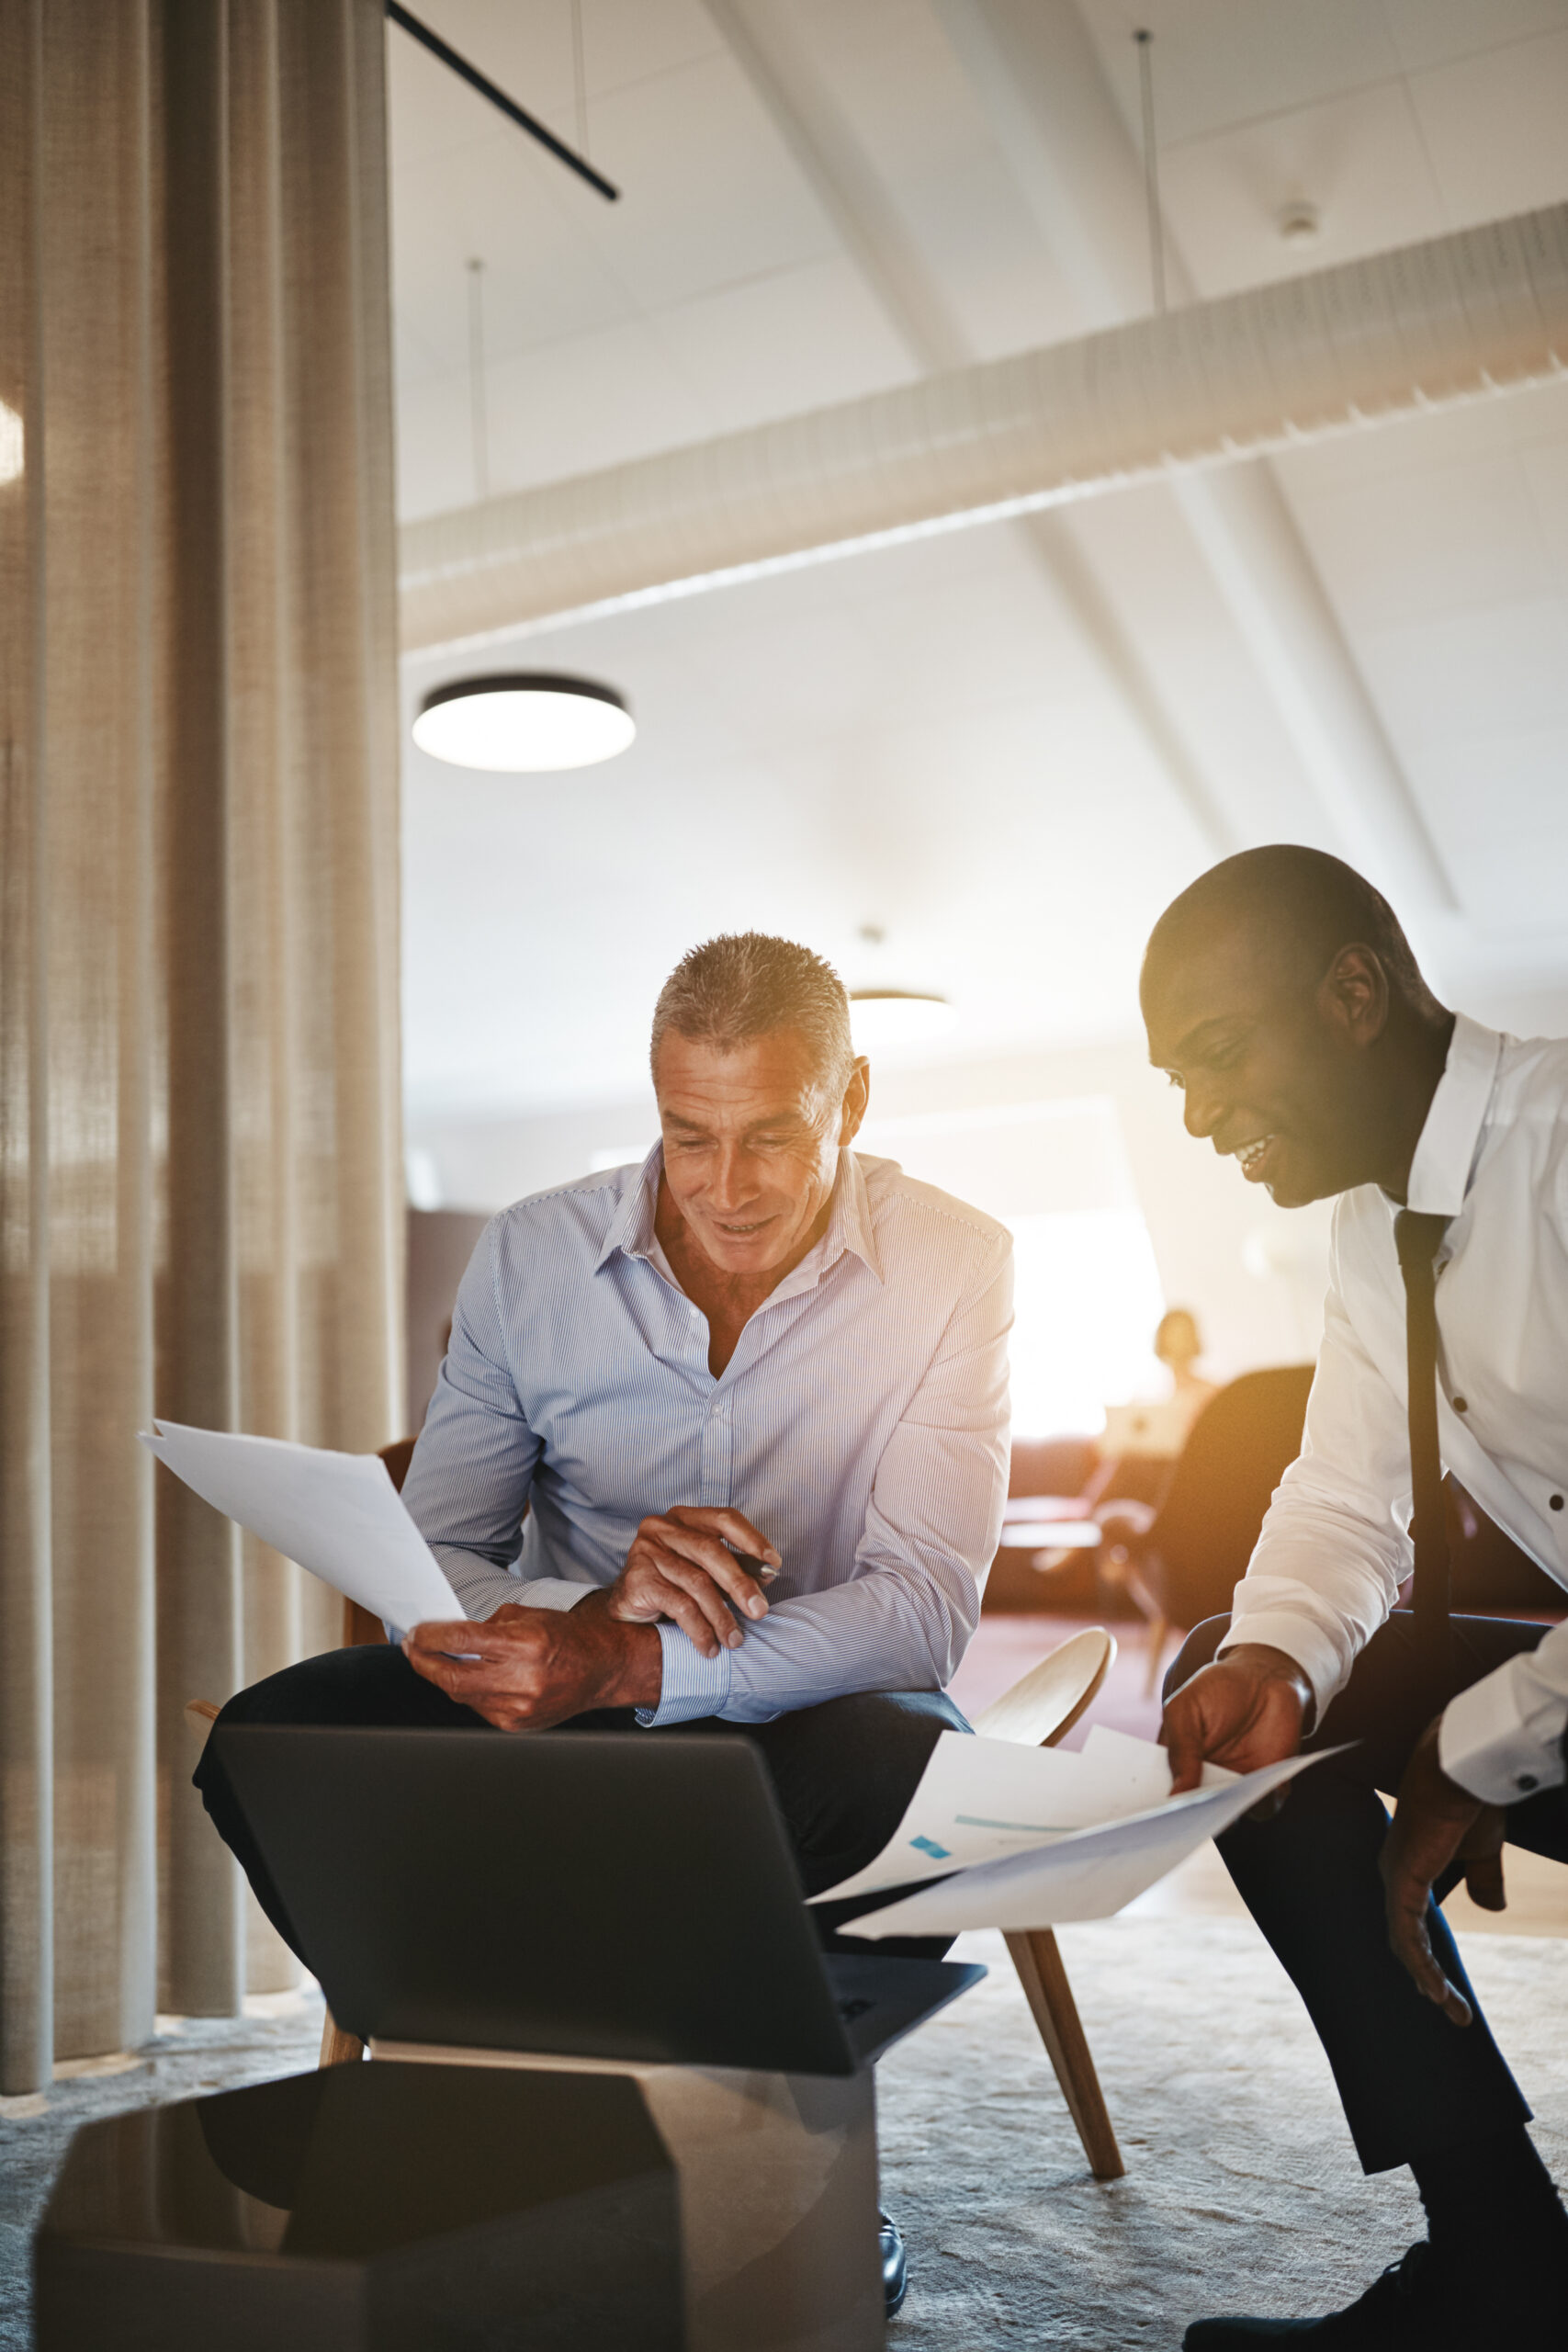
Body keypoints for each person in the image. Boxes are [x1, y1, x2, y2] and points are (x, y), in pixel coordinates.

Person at [195, 930, 1012, 2320]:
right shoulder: (532, 1256)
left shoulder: (957, 1263)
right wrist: (584, 1618)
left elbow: (922, 1610)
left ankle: (782, 2166)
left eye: (772, 1137)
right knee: (271, 1745)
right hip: (553, 1706)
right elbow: (439, 1552)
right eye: (689, 1137)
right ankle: (501, 2098)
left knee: (914, 1776)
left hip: (799, 1713)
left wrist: (650, 1657)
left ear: (853, 1104)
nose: (726, 1190)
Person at [1140, 844, 1568, 2347]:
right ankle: (1505, 2264)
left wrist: (1483, 1744)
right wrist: (1279, 1655)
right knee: (1249, 1694)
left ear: (1354, 993)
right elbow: (1342, 1493)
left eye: (1216, 1055)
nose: (1195, 1115)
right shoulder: (1370, 1227)